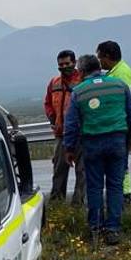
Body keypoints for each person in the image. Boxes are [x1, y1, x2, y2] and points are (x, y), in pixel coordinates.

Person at [63, 54, 131, 245]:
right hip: (117, 142)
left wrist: (69, 148)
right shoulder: (119, 85)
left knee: (94, 187)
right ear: (99, 68)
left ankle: (96, 229)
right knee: (115, 187)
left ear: (81, 72)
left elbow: (71, 124)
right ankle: (113, 229)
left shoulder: (78, 92)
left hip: (92, 144)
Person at [96, 40, 131, 204]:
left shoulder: (121, 73)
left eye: (100, 58)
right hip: (118, 125)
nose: (99, 62)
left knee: (121, 163)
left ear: (107, 56)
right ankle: (122, 194)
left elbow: (122, 100)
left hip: (120, 126)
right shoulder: (114, 72)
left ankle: (124, 195)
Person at [44, 50, 85, 205]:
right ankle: (56, 205)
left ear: (74, 63)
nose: (64, 67)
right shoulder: (54, 83)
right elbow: (47, 103)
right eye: (61, 65)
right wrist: (52, 118)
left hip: (81, 134)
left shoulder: (82, 80)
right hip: (61, 134)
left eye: (67, 63)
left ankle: (78, 206)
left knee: (82, 172)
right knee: (59, 171)